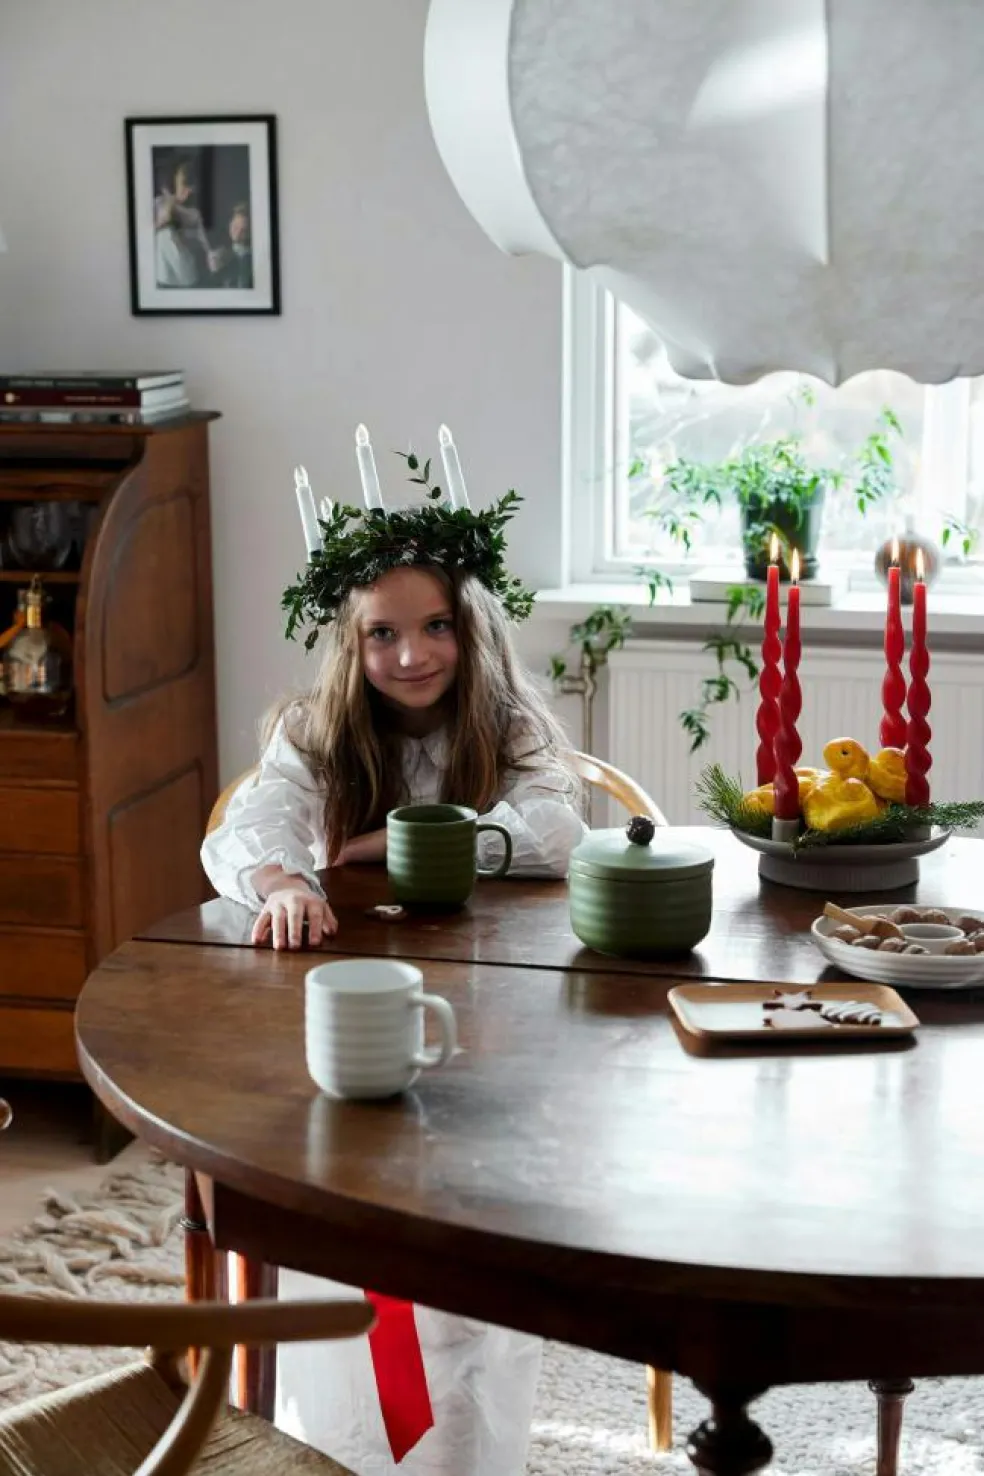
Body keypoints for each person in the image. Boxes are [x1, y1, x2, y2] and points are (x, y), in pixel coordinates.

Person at [201, 470, 585, 1475]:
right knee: (339, 1210)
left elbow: (556, 830)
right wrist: (285, 879)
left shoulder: (507, 724)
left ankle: (466, 1447)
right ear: (350, 641)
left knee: (468, 1249)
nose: (412, 655)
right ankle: (341, 1443)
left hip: (485, 1018)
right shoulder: (317, 730)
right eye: (383, 633)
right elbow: (250, 827)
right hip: (351, 1007)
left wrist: (385, 842)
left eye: (435, 627)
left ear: (472, 629)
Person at [154, 157, 212, 287]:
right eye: (185, 183)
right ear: (175, 182)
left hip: (187, 277)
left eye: (193, 185)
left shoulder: (194, 214)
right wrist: (170, 203)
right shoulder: (159, 203)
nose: (189, 190)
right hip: (162, 278)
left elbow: (205, 246)